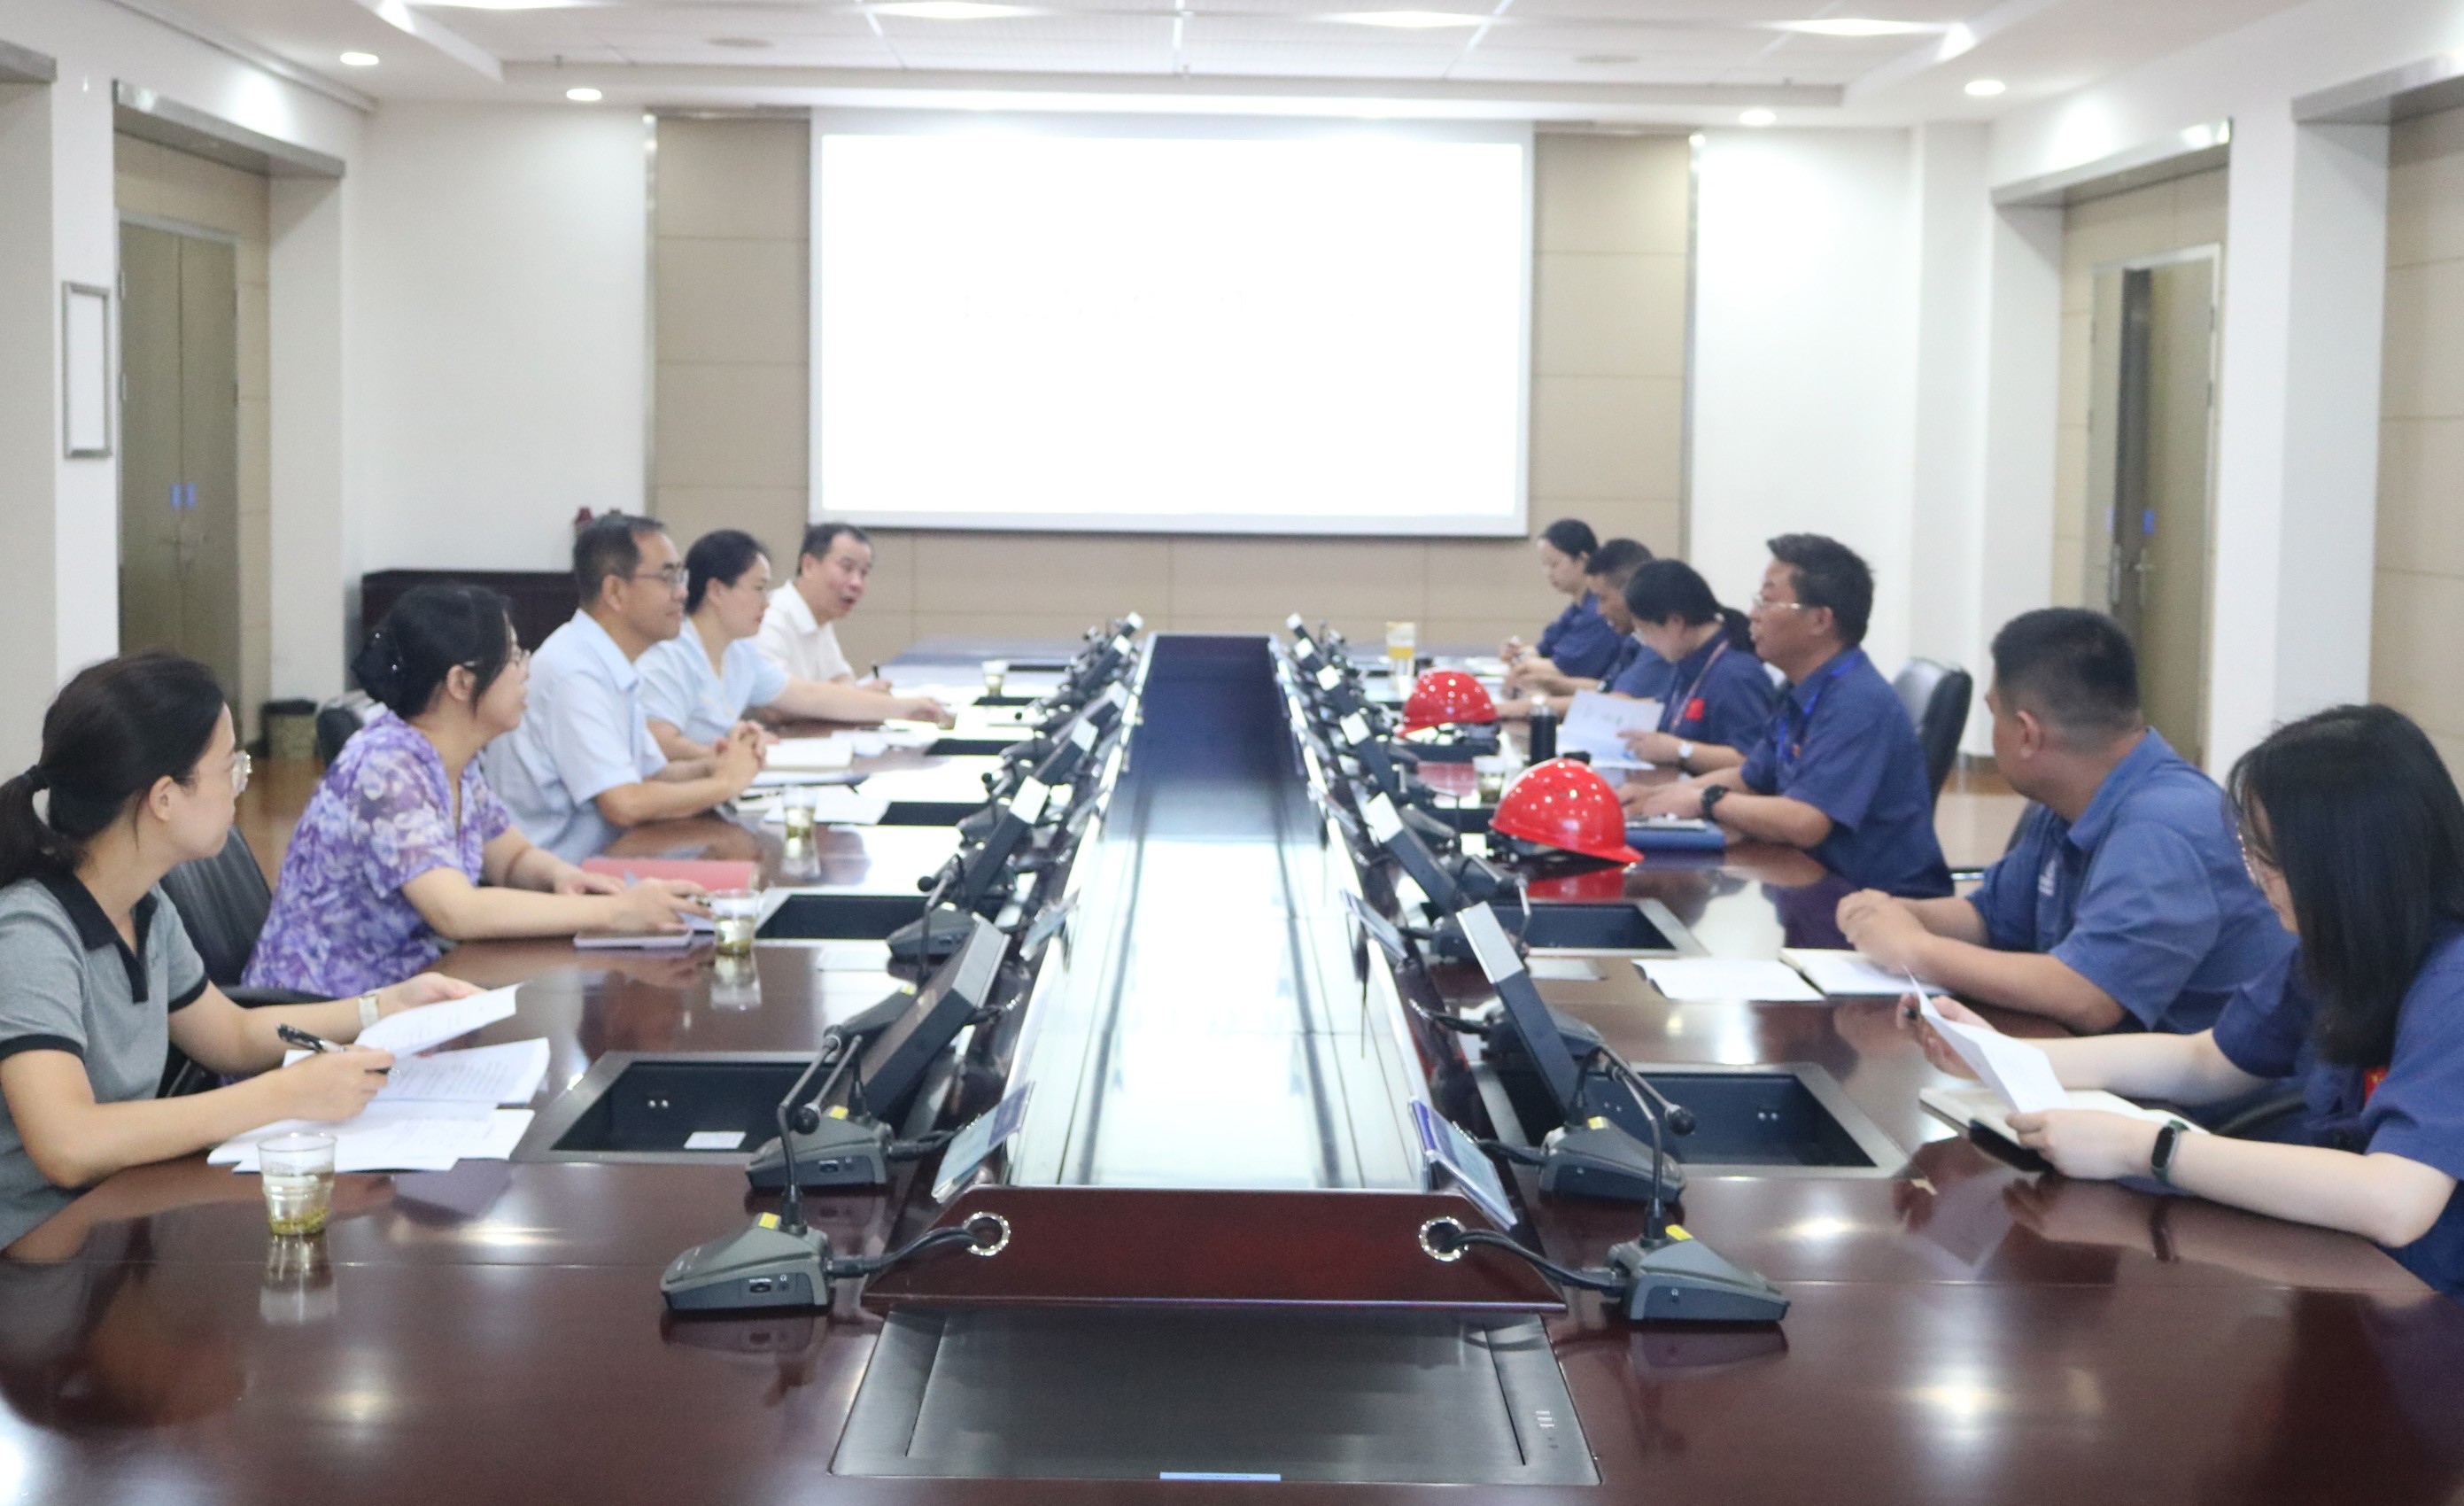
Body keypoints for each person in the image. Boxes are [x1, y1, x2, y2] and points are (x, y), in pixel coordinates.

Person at [1912, 704, 2464, 1297]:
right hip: (2351, 1274)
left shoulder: (2451, 983)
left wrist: (2146, 1149)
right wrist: (1999, 1053)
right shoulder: (2347, 944)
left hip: (2428, 1309)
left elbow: (2395, 1201)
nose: (2257, 879)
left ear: (2346, 864)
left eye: (2271, 861)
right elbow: (2207, 1060)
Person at [0, 652, 477, 1253]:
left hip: (116, 1217)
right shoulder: (32, 933)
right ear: (165, 797)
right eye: (231, 766)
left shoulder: (143, 905)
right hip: (36, 1250)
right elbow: (67, 1145)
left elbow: (229, 1035)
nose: (241, 784)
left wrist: (382, 1008)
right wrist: (285, 1094)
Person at [1836, 609, 2290, 1034]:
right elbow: (1992, 917)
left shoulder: (2163, 827)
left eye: (1994, 715)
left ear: (2027, 733)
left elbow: (2089, 995)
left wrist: (1917, 950)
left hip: (2189, 1089)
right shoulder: (2073, 800)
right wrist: (1896, 914)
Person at [246, 586, 709, 998]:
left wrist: (561, 877)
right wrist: (616, 913)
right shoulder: (386, 767)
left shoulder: (451, 758)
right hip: (331, 1011)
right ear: (461, 682)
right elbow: (458, 912)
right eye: (513, 657)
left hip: (413, 990)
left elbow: (511, 858)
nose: (526, 670)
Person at [1633, 533, 1950, 897]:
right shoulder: (1803, 689)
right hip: (1811, 882)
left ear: (1820, 620)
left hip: (1878, 901)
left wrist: (1706, 800)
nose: (1752, 615)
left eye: (1767, 602)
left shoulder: (1857, 701)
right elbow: (1751, 777)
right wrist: (1658, 796)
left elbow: (1805, 822)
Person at [484, 514, 764, 863]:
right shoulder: (574, 672)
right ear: (615, 592)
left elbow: (653, 774)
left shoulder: (609, 661)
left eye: (681, 577)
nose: (682, 592)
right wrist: (724, 785)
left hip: (608, 861)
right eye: (668, 578)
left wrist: (715, 763)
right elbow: (624, 804)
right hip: (551, 878)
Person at [640, 531, 952, 761]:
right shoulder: (669, 654)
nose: (767, 602)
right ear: (717, 591)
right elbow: (659, 744)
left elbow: (811, 696)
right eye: (759, 589)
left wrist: (905, 707)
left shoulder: (740, 654)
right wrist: (731, 755)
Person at [753, 523, 952, 724]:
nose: (857, 583)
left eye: (863, 573)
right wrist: (866, 701)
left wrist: (854, 698)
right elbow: (773, 707)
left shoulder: (820, 616)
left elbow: (842, 678)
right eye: (846, 568)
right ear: (809, 566)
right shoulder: (770, 618)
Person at [1613, 558, 1777, 778]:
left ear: (1676, 622)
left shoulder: (1736, 674)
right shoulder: (1688, 659)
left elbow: (1751, 761)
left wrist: (1679, 750)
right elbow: (1672, 710)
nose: (1647, 644)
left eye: (1645, 631)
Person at [1505, 538, 1662, 707]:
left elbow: (1618, 704)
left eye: (1603, 598)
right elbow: (1605, 688)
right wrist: (1546, 683)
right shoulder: (1635, 639)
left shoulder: (1658, 644)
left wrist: (1534, 706)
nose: (1599, 610)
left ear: (1631, 592)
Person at [1500, 518, 1626, 687]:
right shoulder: (1576, 609)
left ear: (1582, 560)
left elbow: (1560, 669)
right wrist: (1517, 652)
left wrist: (1522, 662)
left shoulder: (1598, 612)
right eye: (1544, 565)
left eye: (1554, 564)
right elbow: (1543, 650)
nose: (1548, 572)